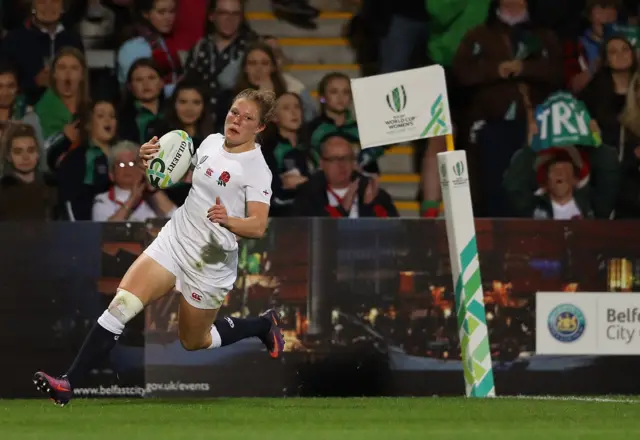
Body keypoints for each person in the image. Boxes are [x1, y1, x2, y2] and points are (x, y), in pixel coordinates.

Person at [33, 88, 284, 406]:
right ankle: (68, 384)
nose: (237, 120)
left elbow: (259, 225)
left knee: (195, 341)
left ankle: (261, 324)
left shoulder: (257, 168)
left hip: (209, 262)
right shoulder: (209, 142)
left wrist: (229, 220)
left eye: (248, 118)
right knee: (121, 305)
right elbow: (187, 176)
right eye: (235, 111)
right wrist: (152, 160)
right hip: (175, 239)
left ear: (259, 128)